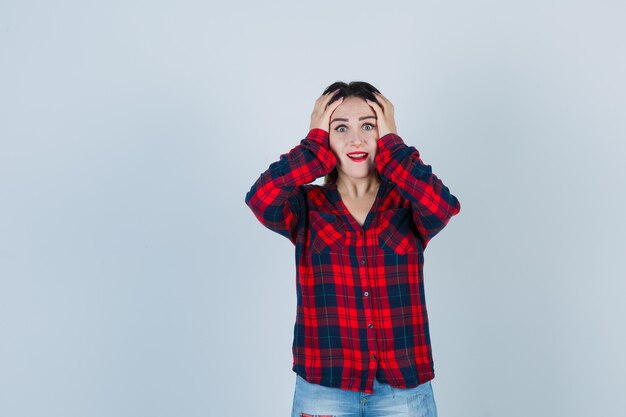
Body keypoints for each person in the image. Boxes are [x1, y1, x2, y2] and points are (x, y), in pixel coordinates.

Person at [245, 81, 461, 417]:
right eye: (340, 127)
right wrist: (313, 147)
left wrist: (393, 146)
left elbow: (442, 206)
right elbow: (260, 197)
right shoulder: (306, 207)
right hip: (324, 391)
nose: (356, 139)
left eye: (369, 126)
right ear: (323, 135)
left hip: (403, 392)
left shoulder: (407, 203)